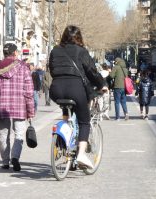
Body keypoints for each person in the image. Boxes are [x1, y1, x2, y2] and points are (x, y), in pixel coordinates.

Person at [49, 25, 104, 169]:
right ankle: (80, 155)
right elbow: (92, 72)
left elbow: (52, 69)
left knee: (66, 109)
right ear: (79, 37)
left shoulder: (55, 50)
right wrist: (102, 85)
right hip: (75, 89)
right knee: (84, 121)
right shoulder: (82, 51)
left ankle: (63, 141)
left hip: (56, 89)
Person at [0, 43, 35, 171]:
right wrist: (30, 111)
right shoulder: (24, 67)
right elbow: (29, 92)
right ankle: (15, 157)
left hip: (2, 106)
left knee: (3, 135)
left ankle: (5, 161)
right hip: (19, 106)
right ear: (15, 53)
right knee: (19, 133)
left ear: (4, 53)